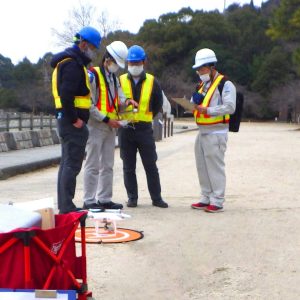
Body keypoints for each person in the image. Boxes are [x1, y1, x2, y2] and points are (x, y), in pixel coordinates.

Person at [51, 26, 101, 214]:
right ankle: (67, 207)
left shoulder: (65, 62)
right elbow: (66, 94)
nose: (93, 52)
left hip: (65, 121)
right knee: (72, 165)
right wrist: (75, 119)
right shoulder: (72, 64)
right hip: (72, 122)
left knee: (66, 164)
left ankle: (65, 205)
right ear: (83, 44)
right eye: (92, 48)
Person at [83, 41, 131, 210]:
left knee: (108, 165)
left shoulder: (114, 78)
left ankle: (104, 198)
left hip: (111, 126)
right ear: (107, 59)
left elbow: (120, 98)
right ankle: (89, 200)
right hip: (96, 126)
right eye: (116, 63)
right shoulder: (92, 75)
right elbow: (88, 104)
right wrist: (105, 119)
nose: (117, 67)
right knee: (93, 164)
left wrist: (128, 102)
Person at [118, 45, 168, 208]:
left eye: (137, 62)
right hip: (125, 129)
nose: (133, 65)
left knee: (150, 164)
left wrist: (145, 117)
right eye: (131, 63)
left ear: (144, 62)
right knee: (128, 166)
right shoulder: (120, 80)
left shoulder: (153, 81)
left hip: (144, 129)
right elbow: (114, 102)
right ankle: (132, 197)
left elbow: (158, 104)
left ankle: (156, 197)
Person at [190, 48, 236, 213]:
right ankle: (206, 196)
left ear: (211, 66)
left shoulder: (225, 84)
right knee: (202, 166)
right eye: (198, 69)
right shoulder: (202, 85)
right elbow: (196, 103)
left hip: (217, 132)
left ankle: (217, 200)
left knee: (215, 166)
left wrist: (208, 111)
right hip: (202, 131)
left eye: (202, 68)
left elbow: (230, 107)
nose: (200, 72)